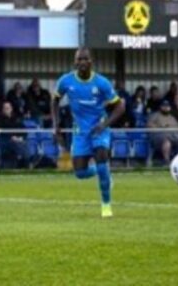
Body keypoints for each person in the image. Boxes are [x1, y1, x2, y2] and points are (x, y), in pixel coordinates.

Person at [51, 48, 126, 218]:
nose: (81, 62)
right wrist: (56, 126)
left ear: (91, 62)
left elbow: (120, 106)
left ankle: (106, 205)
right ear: (75, 62)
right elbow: (55, 100)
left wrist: (105, 124)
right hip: (80, 132)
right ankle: (104, 173)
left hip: (99, 128)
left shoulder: (101, 83)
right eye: (79, 59)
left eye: (85, 59)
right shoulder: (66, 81)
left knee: (101, 157)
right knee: (80, 173)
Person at [148, 100, 178, 165]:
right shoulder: (155, 115)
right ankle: (167, 161)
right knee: (167, 142)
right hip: (159, 136)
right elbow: (149, 125)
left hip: (173, 135)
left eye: (167, 106)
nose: (166, 108)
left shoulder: (172, 117)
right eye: (164, 106)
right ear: (161, 107)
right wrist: (161, 127)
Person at [0, 102, 29, 169]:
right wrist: (12, 137)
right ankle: (26, 163)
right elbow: (0, 132)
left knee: (24, 143)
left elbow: (24, 131)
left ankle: (25, 161)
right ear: (2, 110)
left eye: (8, 108)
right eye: (5, 108)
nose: (7, 109)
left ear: (11, 109)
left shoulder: (16, 119)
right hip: (5, 141)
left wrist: (19, 137)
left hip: (18, 140)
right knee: (17, 144)